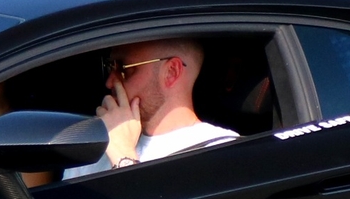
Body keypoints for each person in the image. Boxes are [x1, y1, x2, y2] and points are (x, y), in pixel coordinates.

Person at [71, 38, 238, 176]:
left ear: (171, 72)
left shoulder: (223, 152)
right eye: (110, 66)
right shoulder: (96, 151)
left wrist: (123, 158)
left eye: (123, 68)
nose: (110, 82)